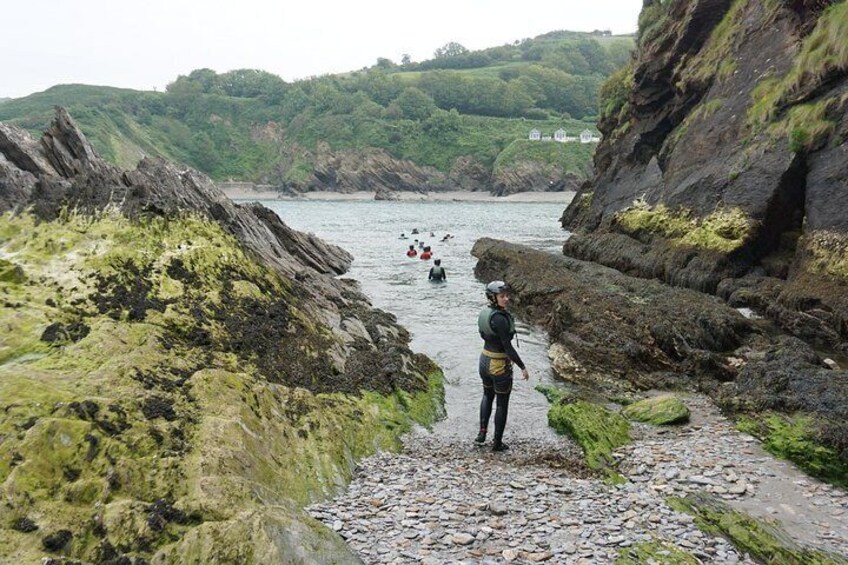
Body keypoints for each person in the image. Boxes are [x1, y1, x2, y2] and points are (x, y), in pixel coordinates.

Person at [476, 280, 529, 451]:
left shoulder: (485, 313)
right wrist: (522, 366)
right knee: (501, 403)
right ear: (493, 298)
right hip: (498, 365)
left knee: (487, 395)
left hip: (484, 360)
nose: (506, 299)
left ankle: (482, 433)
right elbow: (507, 347)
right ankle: (497, 443)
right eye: (502, 296)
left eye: (507, 295)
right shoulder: (500, 319)